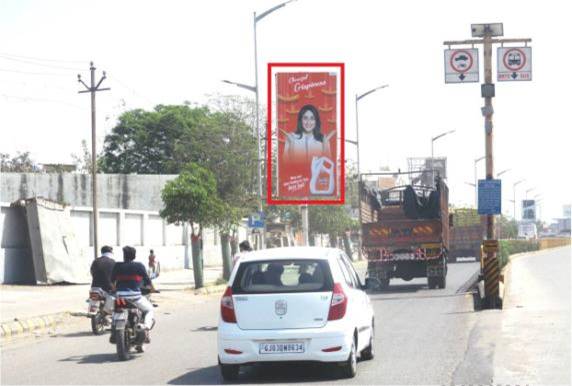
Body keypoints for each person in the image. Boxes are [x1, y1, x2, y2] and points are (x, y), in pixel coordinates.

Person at [111, 246, 157, 341]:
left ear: (124, 256)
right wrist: (152, 289)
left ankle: (113, 330)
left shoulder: (117, 266)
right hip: (135, 297)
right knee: (149, 310)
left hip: (121, 298)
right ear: (134, 256)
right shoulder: (139, 266)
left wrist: (115, 290)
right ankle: (146, 327)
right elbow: (147, 280)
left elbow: (112, 281)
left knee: (114, 311)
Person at [89, 245, 116, 313]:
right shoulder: (113, 262)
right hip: (108, 288)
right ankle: (107, 312)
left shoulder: (95, 261)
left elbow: (92, 272)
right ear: (111, 252)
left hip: (95, 287)